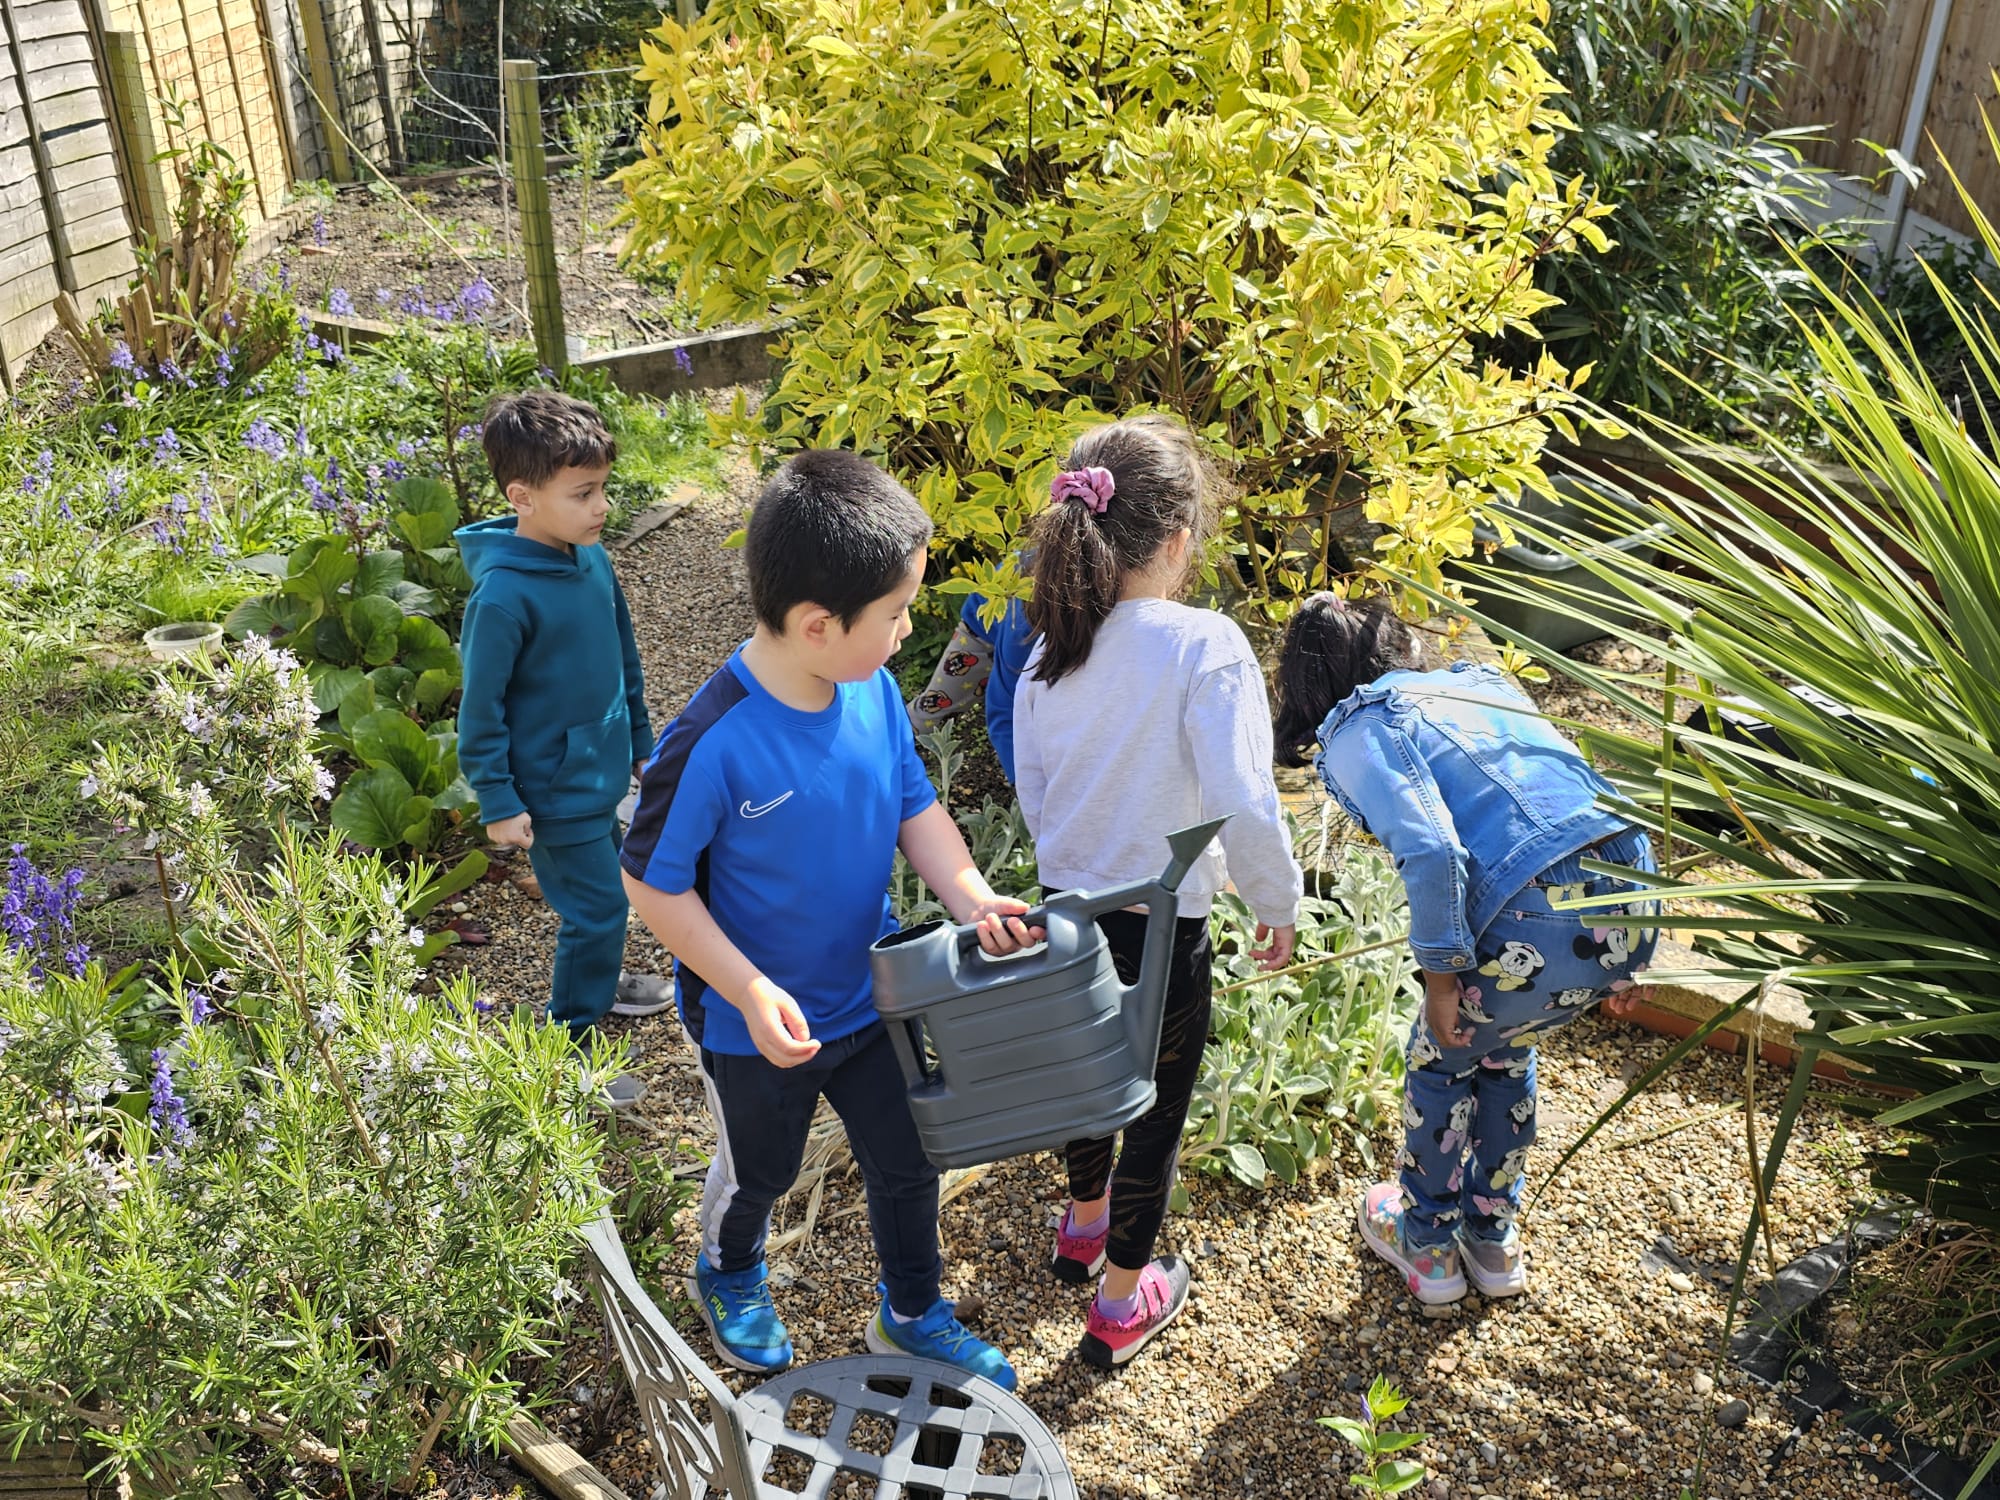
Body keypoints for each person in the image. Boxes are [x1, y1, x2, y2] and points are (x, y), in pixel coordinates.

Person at [620, 449, 1036, 1386]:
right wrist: (747, 986)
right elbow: (651, 883)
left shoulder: (871, 689)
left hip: (873, 994)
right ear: (818, 624)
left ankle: (915, 1311)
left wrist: (971, 896)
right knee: (759, 1172)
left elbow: (911, 804)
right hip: (752, 1026)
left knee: (907, 1161)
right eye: (894, 614)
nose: (907, 630)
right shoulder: (712, 740)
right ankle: (729, 1270)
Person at [1012, 414, 1304, 1368]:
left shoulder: (1046, 656)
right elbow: (1243, 800)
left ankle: (1083, 1224)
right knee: (1156, 1109)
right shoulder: (1202, 645)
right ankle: (1120, 1303)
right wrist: (1276, 899)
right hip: (1163, 925)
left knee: (1090, 1086)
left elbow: (1036, 797)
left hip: (1067, 916)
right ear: (1178, 542)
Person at [1272, 594, 1659, 1305]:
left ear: (1311, 690)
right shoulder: (1482, 685)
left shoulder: (1360, 726)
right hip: (1626, 896)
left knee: (1443, 1061)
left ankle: (1426, 1247)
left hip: (1526, 921)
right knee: (1506, 1051)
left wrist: (1443, 976)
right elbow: (1584, 795)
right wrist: (1637, 949)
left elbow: (1431, 852)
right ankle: (1492, 1237)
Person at [456, 392, 672, 1111]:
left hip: (600, 772)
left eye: (603, 488)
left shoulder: (592, 559)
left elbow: (624, 659)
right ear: (522, 496)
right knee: (599, 909)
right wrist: (498, 799)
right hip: (551, 790)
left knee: (606, 894)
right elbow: (479, 711)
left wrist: (641, 744)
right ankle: (569, 1048)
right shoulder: (501, 599)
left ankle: (600, 982)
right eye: (582, 494)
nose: (601, 506)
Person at [906, 591, 1035, 782]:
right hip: (980, 634)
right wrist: (1025, 785)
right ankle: (877, 747)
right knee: (931, 711)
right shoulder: (1022, 627)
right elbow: (1003, 710)